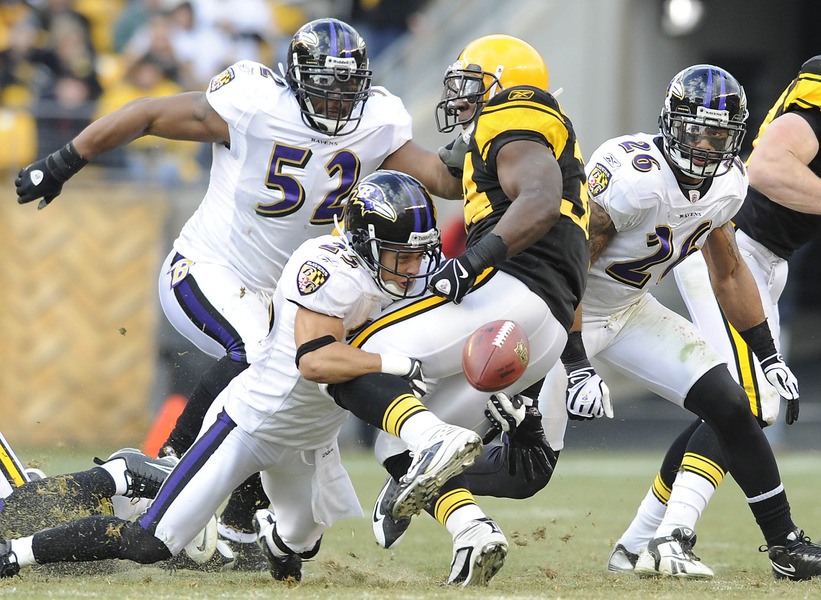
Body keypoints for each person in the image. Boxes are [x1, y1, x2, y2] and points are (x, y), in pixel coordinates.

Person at [14, 17, 461, 565]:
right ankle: (172, 458)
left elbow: (441, 177)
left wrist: (490, 153)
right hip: (208, 268)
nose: (341, 99)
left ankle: (238, 525)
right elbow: (148, 114)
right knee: (258, 356)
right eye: (328, 84)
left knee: (279, 392)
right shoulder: (254, 104)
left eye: (351, 85)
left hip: (285, 295)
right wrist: (63, 161)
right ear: (298, 80)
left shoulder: (377, 121)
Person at [0, 170, 485, 584]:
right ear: (363, 244)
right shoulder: (327, 268)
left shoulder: (395, 276)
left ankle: (272, 537)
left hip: (308, 442)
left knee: (301, 542)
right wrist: (395, 364)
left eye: (419, 254)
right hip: (249, 426)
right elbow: (314, 361)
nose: (414, 268)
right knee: (152, 542)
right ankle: (15, 552)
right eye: (402, 255)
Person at [535, 63, 821, 581]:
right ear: (670, 123)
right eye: (696, 131)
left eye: (720, 136)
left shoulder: (726, 184)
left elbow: (729, 271)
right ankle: (432, 484)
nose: (706, 146)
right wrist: (576, 363)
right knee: (528, 469)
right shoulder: (632, 178)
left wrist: (768, 353)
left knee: (733, 402)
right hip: (570, 315)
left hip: (636, 308)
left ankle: (658, 543)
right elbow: (568, 269)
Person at [333, 33, 589, 586]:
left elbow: (540, 200)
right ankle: (473, 533)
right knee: (396, 442)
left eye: (472, 85)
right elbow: (453, 176)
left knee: (351, 357)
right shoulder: (513, 141)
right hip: (542, 328)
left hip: (511, 293)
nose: (461, 98)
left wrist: (472, 263)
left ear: (504, 87)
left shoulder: (514, 117)